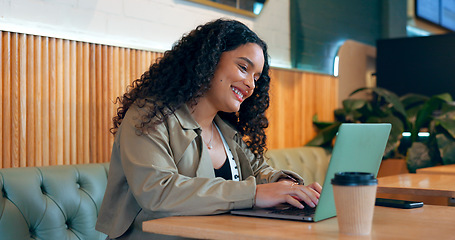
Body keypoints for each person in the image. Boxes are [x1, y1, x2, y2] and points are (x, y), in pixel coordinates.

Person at [96, 18, 322, 239]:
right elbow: (158, 192)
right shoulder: (149, 115)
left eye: (256, 78)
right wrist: (253, 194)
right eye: (243, 68)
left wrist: (284, 186)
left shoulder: (224, 130)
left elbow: (257, 170)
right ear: (209, 60)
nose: (251, 85)